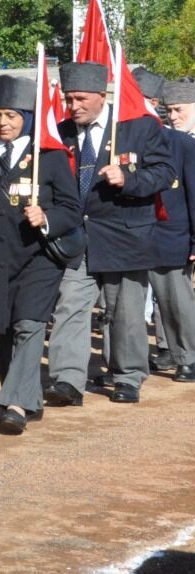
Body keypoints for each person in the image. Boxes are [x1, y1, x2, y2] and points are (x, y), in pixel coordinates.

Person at [0, 74, 80, 435]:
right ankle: (26, 395)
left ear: (27, 116)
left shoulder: (50, 159)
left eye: (11, 115)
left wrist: (47, 217)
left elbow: (71, 208)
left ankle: (15, 404)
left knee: (28, 323)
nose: (2, 123)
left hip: (38, 258)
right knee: (4, 328)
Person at [46, 61, 174, 407]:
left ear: (102, 96)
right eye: (69, 99)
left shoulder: (138, 126)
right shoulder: (62, 131)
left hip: (125, 234)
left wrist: (129, 180)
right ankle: (67, 379)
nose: (73, 106)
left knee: (125, 311)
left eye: (81, 99)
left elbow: (164, 172)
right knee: (70, 305)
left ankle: (127, 375)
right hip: (77, 236)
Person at [151, 78, 195, 383]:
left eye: (179, 110)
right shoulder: (169, 140)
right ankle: (171, 348)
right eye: (169, 110)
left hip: (181, 231)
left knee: (179, 299)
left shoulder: (185, 145)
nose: (173, 116)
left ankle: (187, 353)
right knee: (165, 298)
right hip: (164, 232)